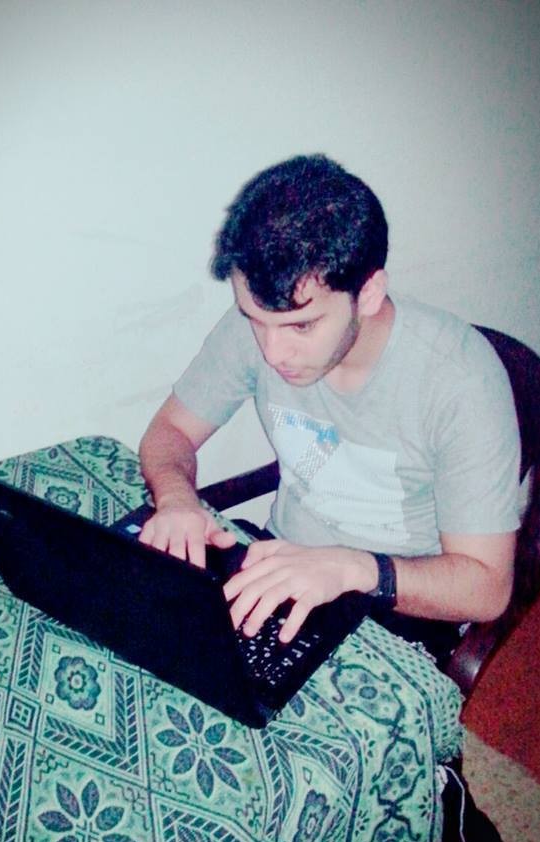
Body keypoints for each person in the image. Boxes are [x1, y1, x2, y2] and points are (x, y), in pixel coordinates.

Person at [138, 154, 520, 666]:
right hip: (280, 563)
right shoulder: (263, 323)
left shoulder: (460, 380)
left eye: (301, 326)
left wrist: (351, 570)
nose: (273, 352)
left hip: (398, 601)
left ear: (369, 293)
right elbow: (170, 430)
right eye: (255, 320)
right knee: (148, 643)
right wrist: (177, 500)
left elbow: (486, 588)